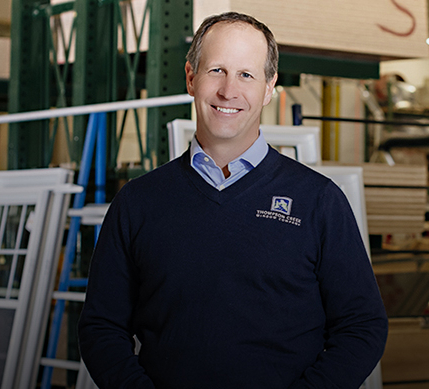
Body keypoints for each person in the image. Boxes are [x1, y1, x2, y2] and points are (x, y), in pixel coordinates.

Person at [78, 12, 388, 389]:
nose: (229, 91)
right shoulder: (137, 202)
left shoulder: (319, 202)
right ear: (191, 77)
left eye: (246, 75)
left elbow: (362, 326)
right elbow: (101, 327)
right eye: (216, 71)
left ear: (269, 87)